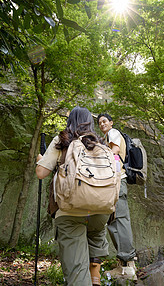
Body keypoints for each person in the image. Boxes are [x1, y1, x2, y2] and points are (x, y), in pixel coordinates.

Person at [36, 106, 110, 286]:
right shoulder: (100, 142)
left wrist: (40, 159)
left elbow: (41, 173)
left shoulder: (62, 140)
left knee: (77, 271)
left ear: (70, 122)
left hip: (70, 211)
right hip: (100, 210)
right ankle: (95, 273)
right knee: (96, 233)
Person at [97, 113, 137, 280]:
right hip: (115, 183)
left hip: (117, 182)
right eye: (99, 122)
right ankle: (124, 264)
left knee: (119, 221)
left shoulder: (113, 133)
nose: (102, 124)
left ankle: (128, 267)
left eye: (104, 121)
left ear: (111, 122)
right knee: (114, 221)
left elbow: (115, 151)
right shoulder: (108, 136)